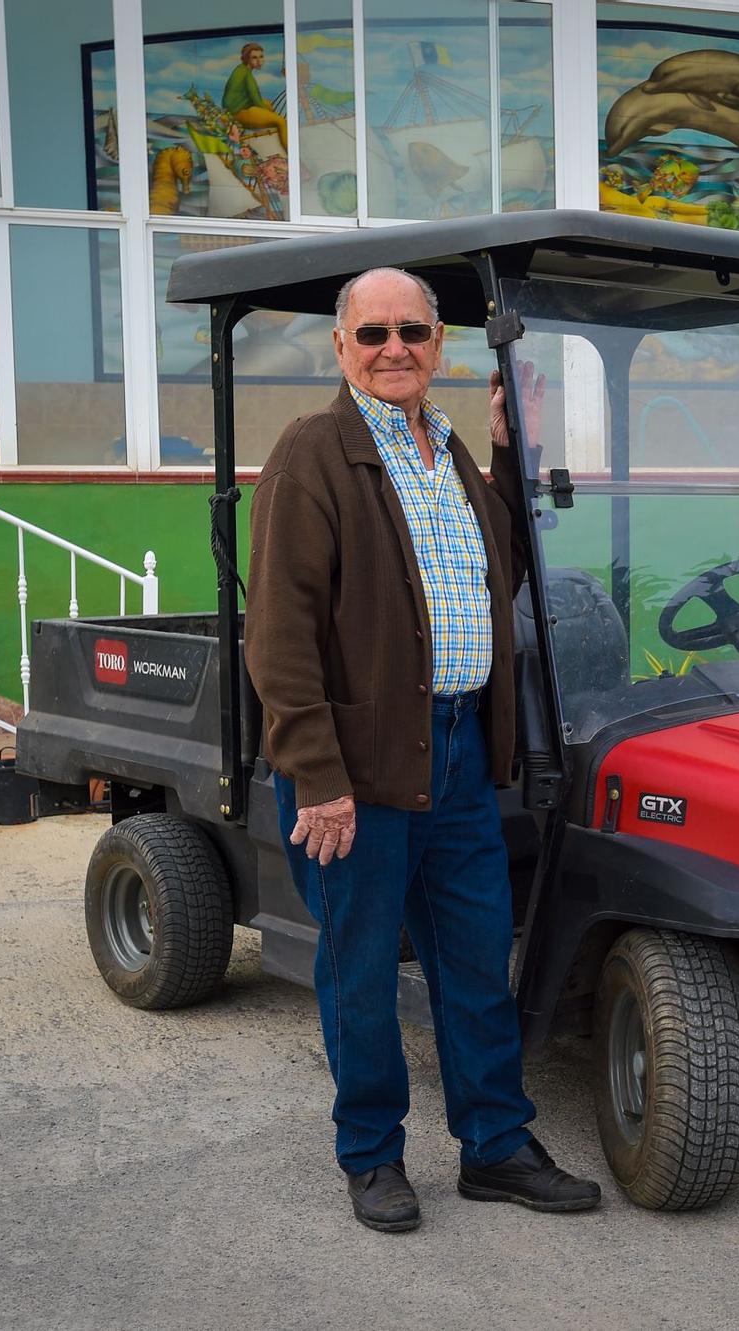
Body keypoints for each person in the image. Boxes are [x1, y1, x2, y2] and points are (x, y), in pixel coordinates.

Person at [243, 267, 598, 1232]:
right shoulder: (313, 453)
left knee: (477, 955)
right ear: (341, 349)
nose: (394, 348)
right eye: (373, 335)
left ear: (440, 344)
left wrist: (506, 451)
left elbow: (500, 575)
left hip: (455, 754)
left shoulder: (447, 456)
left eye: (413, 331)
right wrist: (316, 777)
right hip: (356, 767)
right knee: (360, 966)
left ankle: (492, 1144)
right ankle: (372, 1154)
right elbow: (277, 634)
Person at [223, 42, 289, 146]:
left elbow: (249, 97)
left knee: (268, 104)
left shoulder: (241, 70)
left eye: (261, 57)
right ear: (247, 59)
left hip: (240, 107)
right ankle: (291, 153)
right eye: (254, 57)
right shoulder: (246, 75)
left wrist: (267, 108)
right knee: (281, 122)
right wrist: (271, 114)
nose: (259, 61)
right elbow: (256, 99)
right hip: (238, 113)